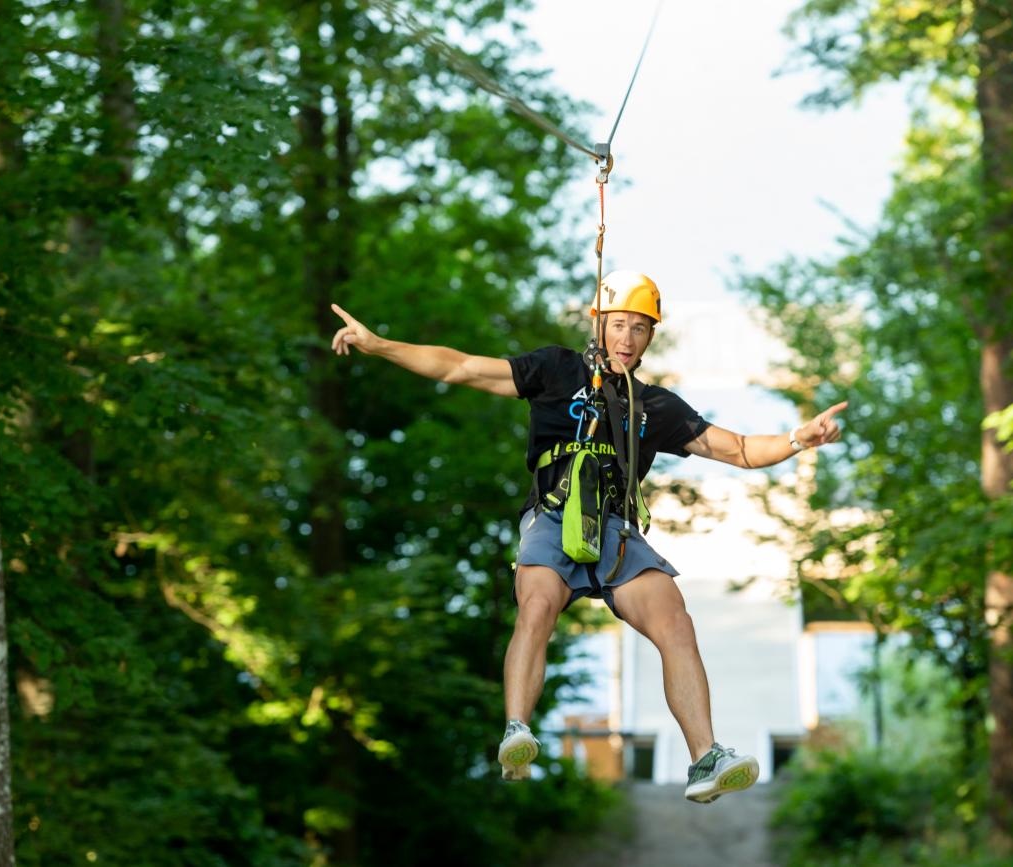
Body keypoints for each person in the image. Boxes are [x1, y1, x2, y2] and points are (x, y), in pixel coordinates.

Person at [329, 270, 846, 804]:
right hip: (553, 519)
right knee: (537, 607)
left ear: (651, 338)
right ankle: (516, 731)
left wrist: (797, 438)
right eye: (618, 325)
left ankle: (705, 757)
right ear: (597, 324)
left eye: (640, 329)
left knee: (675, 621)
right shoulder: (556, 370)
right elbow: (462, 367)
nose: (627, 339)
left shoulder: (655, 407)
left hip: (617, 535)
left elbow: (737, 450)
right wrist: (379, 345)